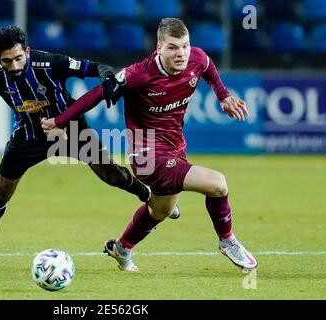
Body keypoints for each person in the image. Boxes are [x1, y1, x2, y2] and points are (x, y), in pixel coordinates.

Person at [0, 26, 157, 271]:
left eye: (18, 58)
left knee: (113, 174)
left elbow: (97, 66)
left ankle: (149, 197)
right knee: (1, 192)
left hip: (70, 130)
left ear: (26, 51)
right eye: (7, 61)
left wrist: (108, 79)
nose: (15, 66)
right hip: (27, 137)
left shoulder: (50, 63)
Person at [41, 18, 258, 272]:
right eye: (173, 48)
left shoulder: (196, 58)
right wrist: (60, 120)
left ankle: (122, 248)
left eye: (185, 46)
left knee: (160, 210)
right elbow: (96, 94)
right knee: (217, 184)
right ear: (159, 47)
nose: (181, 54)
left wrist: (223, 95)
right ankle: (227, 241)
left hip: (175, 147)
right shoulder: (138, 75)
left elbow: (208, 66)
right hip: (147, 156)